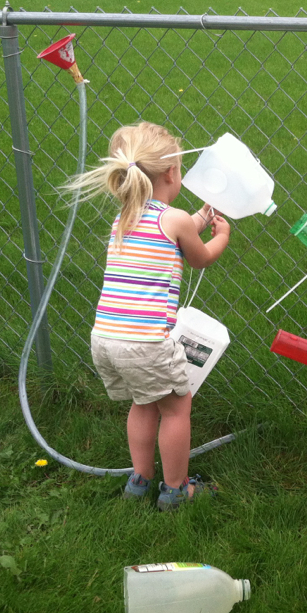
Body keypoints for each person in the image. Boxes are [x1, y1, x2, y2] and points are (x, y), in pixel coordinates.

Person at [67, 122, 230, 511]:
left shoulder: (123, 219)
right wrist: (220, 235)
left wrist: (201, 219)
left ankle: (139, 480)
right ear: (172, 173)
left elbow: (171, 231)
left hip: (106, 338)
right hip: (146, 342)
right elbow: (200, 257)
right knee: (176, 406)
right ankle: (176, 489)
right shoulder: (172, 219)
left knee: (142, 403)